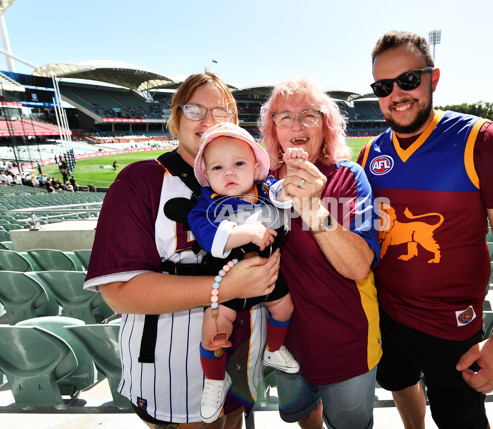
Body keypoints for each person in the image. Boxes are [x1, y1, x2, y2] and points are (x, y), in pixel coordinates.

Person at [358, 31, 493, 429]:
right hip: (386, 313)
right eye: (383, 86)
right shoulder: (370, 153)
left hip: (451, 326)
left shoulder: (482, 141)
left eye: (408, 80)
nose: (397, 94)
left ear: (433, 79)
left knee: (459, 417)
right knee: (399, 382)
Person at [83, 72, 280, 429]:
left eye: (220, 112)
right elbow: (119, 293)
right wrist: (228, 287)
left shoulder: (254, 181)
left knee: (233, 422)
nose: (208, 121)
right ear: (175, 118)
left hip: (243, 351)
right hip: (170, 363)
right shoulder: (140, 181)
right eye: (194, 110)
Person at [259, 78, 382, 429]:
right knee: (305, 417)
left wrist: (313, 207)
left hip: (347, 344)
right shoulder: (260, 182)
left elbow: (359, 266)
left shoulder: (348, 177)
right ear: (274, 129)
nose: (296, 126)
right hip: (287, 347)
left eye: (308, 116)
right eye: (284, 117)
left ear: (325, 126)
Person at [187, 122, 299, 423]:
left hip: (269, 274)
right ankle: (214, 381)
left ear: (256, 166)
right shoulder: (207, 203)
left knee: (285, 307)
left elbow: (285, 196)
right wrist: (246, 231)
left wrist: (290, 182)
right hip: (227, 281)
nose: (230, 173)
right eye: (218, 167)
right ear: (207, 176)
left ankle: (273, 348)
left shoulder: (266, 189)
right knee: (214, 332)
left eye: (239, 163)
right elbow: (209, 237)